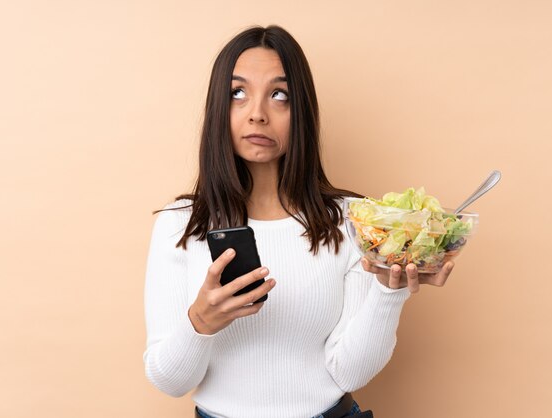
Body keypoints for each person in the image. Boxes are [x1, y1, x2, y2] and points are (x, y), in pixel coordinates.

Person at [143, 25, 454, 418]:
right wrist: (200, 322)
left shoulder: (349, 220)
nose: (257, 114)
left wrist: (388, 291)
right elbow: (171, 381)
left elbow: (350, 372)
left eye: (279, 95)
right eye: (237, 93)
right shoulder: (179, 225)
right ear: (217, 109)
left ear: (301, 111)